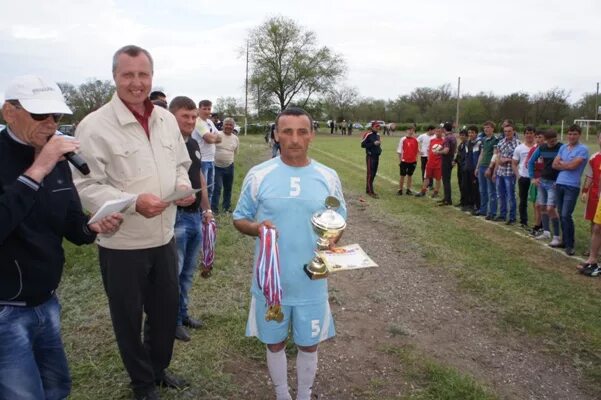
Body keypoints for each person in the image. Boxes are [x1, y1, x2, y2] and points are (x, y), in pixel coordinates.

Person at [74, 45, 195, 400]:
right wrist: (131, 204)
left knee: (164, 311)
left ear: (152, 77)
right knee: (128, 318)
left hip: (164, 236)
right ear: (115, 77)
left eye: (143, 75)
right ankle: (142, 384)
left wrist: (183, 186)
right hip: (122, 244)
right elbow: (85, 184)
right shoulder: (94, 126)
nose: (136, 83)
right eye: (128, 75)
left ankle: (158, 370)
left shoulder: (166, 119)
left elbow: (179, 165)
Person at [0, 75, 122, 400]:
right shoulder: (40, 160)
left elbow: (70, 224)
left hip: (47, 301)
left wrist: (92, 227)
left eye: (57, 116)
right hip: (6, 309)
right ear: (9, 112)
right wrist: (38, 167)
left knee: (57, 387)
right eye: (40, 115)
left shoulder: (58, 162)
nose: (51, 123)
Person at [233, 107, 345, 400]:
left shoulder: (328, 176)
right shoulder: (259, 175)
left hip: (311, 281)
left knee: (310, 344)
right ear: (276, 135)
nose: (295, 139)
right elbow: (239, 218)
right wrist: (257, 228)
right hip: (272, 283)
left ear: (312, 135)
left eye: (302, 131)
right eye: (287, 131)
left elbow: (338, 221)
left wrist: (332, 239)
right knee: (275, 342)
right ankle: (283, 394)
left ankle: (304, 394)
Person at [168, 96, 213, 342]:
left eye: (194, 116)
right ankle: (171, 321)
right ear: (171, 117)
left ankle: (182, 314)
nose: (191, 120)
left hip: (195, 216)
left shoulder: (193, 145)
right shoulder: (167, 147)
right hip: (176, 218)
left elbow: (200, 179)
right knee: (173, 273)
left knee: (187, 272)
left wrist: (206, 210)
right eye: (185, 116)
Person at [552, 125, 588, 256]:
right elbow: (554, 165)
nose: (572, 136)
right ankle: (565, 240)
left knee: (566, 214)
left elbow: (574, 166)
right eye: (570, 134)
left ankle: (570, 244)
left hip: (572, 186)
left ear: (579, 135)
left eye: (575, 134)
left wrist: (563, 164)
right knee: (561, 213)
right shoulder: (563, 147)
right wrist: (566, 164)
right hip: (559, 183)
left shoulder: (583, 149)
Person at [528, 130, 563, 246]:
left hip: (554, 183)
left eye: (554, 140)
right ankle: (546, 232)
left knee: (550, 209)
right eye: (550, 141)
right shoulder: (541, 148)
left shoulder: (561, 148)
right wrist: (533, 178)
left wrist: (559, 180)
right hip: (542, 182)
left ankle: (557, 236)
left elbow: (565, 164)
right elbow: (531, 161)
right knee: (542, 207)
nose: (552, 143)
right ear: (546, 140)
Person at [193, 100, 222, 202]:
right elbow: (209, 139)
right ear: (199, 109)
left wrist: (212, 137)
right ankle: (202, 214)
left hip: (211, 159)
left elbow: (220, 138)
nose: (207, 111)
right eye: (204, 108)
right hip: (201, 160)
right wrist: (212, 138)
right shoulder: (197, 122)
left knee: (210, 189)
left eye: (209, 109)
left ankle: (208, 213)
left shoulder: (209, 122)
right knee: (202, 190)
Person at [212, 117, 240, 214]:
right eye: (226, 124)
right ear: (223, 125)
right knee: (217, 188)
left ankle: (226, 207)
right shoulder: (217, 135)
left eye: (230, 125)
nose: (228, 126)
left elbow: (235, 152)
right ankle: (214, 209)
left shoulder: (235, 138)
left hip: (229, 166)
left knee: (228, 188)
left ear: (233, 127)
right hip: (216, 167)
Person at [494, 123, 520, 223]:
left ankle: (512, 217)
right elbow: (497, 156)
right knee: (500, 195)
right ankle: (502, 214)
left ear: (513, 131)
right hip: (500, 172)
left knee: (510, 195)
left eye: (509, 131)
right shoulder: (501, 142)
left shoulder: (518, 144)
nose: (507, 133)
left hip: (510, 173)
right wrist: (495, 170)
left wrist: (508, 160)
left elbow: (519, 159)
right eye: (505, 131)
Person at [581, 133, 601, 256]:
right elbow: (589, 175)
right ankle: (594, 249)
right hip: (594, 194)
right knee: (594, 222)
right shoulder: (594, 157)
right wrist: (585, 190)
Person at [512, 126, 535, 229]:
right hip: (524, 177)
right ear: (524, 134)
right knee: (523, 200)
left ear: (534, 134)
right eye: (527, 133)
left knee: (537, 202)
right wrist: (518, 175)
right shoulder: (519, 148)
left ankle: (539, 224)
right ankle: (523, 221)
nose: (529, 135)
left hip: (536, 178)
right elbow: (514, 163)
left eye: (531, 133)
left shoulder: (538, 147)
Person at [476, 121, 499, 219]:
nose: (486, 129)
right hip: (482, 166)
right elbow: (481, 153)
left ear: (493, 129)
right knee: (482, 190)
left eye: (488, 127)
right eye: (485, 127)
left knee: (491, 191)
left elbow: (495, 154)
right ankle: (483, 209)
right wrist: (477, 167)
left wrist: (490, 168)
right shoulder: (484, 140)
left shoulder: (496, 140)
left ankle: (492, 212)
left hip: (489, 167)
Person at [415, 127, 444, 198]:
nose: (438, 133)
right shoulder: (432, 140)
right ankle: (423, 191)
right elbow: (429, 150)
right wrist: (428, 158)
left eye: (439, 132)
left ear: (442, 132)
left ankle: (436, 192)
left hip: (438, 163)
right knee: (426, 177)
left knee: (438, 178)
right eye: (437, 131)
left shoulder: (444, 141)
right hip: (430, 162)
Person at [526, 131, 545, 236]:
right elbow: (527, 163)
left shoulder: (547, 150)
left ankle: (541, 226)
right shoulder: (534, 149)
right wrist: (533, 176)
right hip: (535, 180)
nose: (538, 139)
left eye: (540, 137)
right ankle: (538, 224)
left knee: (541, 205)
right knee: (535, 204)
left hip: (545, 180)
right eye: (537, 137)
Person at [361, 121, 383, 198]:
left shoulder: (378, 135)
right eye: (376, 126)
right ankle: (370, 192)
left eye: (378, 126)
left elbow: (378, 144)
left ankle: (368, 189)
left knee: (373, 174)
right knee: (370, 174)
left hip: (376, 156)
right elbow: (363, 145)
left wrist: (379, 149)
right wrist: (373, 143)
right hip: (370, 157)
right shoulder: (368, 134)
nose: (378, 128)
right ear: (372, 127)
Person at [396, 124, 419, 195]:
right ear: (407, 130)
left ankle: (408, 189)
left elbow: (417, 151)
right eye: (409, 130)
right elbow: (399, 151)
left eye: (412, 130)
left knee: (410, 175)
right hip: (404, 161)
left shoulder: (415, 140)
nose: (411, 131)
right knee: (402, 175)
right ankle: (400, 190)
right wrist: (400, 161)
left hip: (412, 161)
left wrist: (416, 160)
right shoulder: (403, 139)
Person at [438, 122, 457, 206]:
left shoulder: (447, 138)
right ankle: (446, 198)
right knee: (447, 179)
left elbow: (446, 150)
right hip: (451, 159)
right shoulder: (453, 137)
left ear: (444, 129)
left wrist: (438, 152)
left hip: (446, 160)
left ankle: (448, 199)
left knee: (446, 180)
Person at [464, 126, 481, 214]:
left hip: (475, 169)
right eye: (469, 133)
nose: (470, 134)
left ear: (476, 133)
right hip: (468, 168)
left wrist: (477, 167)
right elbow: (467, 156)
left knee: (476, 188)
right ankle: (470, 204)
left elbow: (479, 156)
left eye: (472, 133)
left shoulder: (479, 143)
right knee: (468, 187)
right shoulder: (467, 143)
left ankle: (477, 206)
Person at [454, 129, 468, 207]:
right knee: (460, 184)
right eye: (461, 135)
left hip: (465, 167)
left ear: (466, 136)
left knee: (464, 185)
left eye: (463, 135)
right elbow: (458, 155)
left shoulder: (467, 145)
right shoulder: (461, 145)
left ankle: (466, 202)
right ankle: (462, 200)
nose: (462, 137)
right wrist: (455, 161)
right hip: (460, 167)